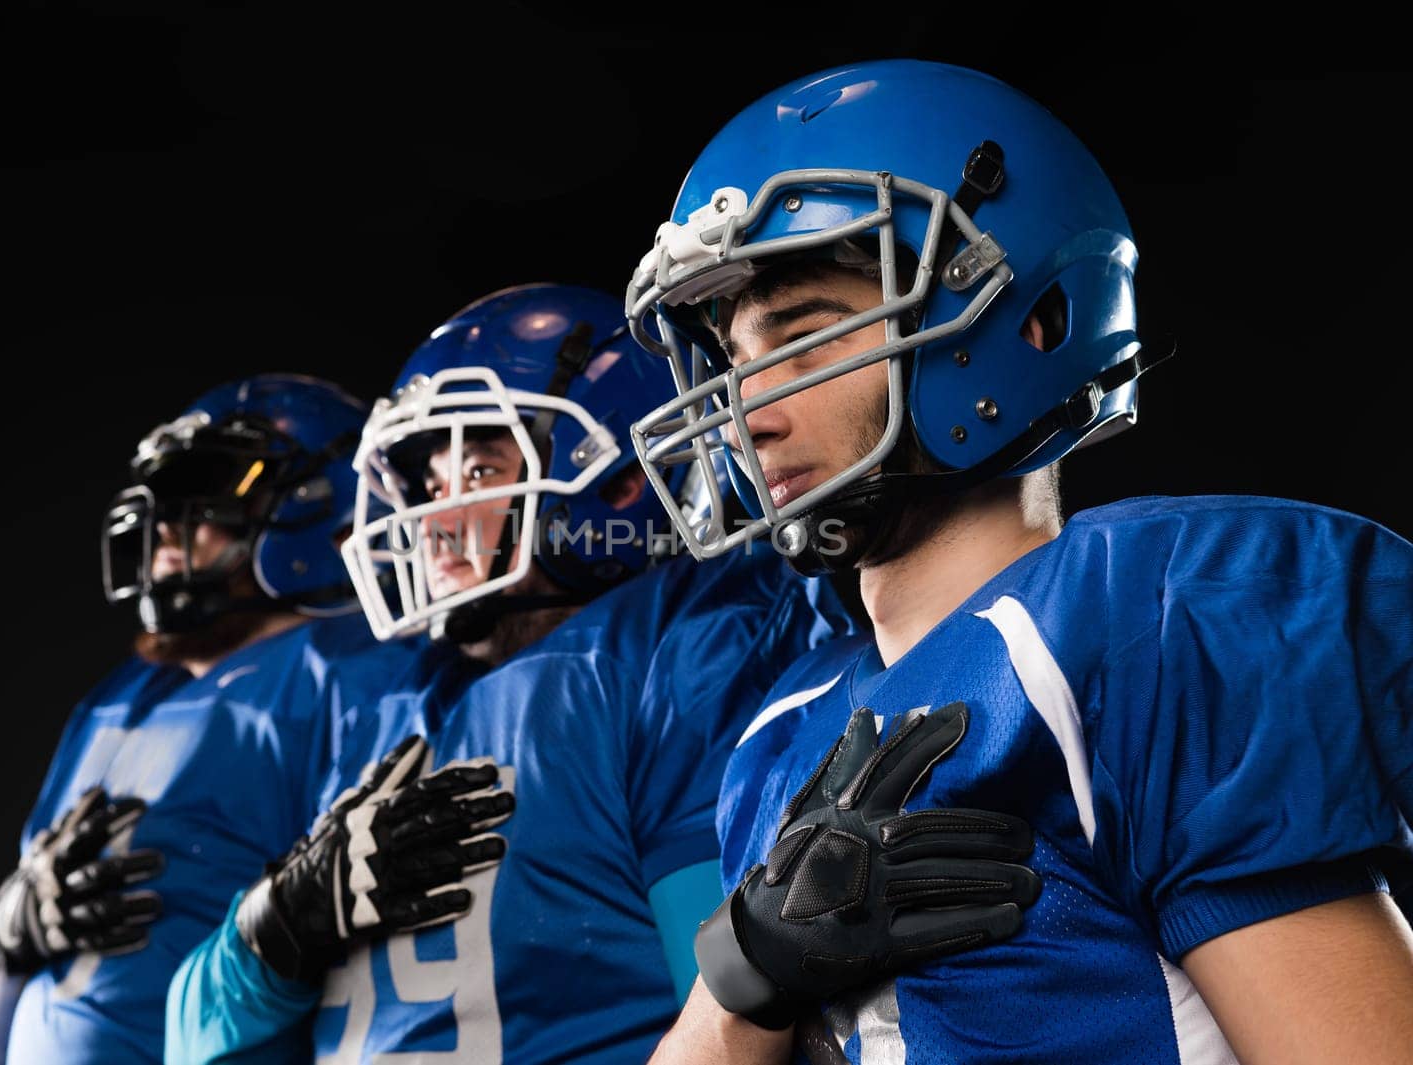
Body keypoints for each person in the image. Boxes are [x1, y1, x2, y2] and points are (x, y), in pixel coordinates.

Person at [623, 59, 1413, 1063]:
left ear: (1029, 323)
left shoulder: (1141, 632)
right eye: (733, 362)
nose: (750, 416)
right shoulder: (779, 739)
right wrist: (746, 969)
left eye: (806, 339)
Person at [166, 284, 1042, 1063]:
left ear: (616, 483)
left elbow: (757, 1010)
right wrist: (277, 925)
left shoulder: (670, 652)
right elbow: (187, 1040)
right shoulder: (371, 695)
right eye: (426, 476)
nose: (430, 517)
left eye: (476, 467)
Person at [0, 374, 432, 1064]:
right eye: (164, 501)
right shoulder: (121, 697)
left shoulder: (347, 674)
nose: (167, 528)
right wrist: (0, 938)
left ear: (325, 512)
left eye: (209, 494)